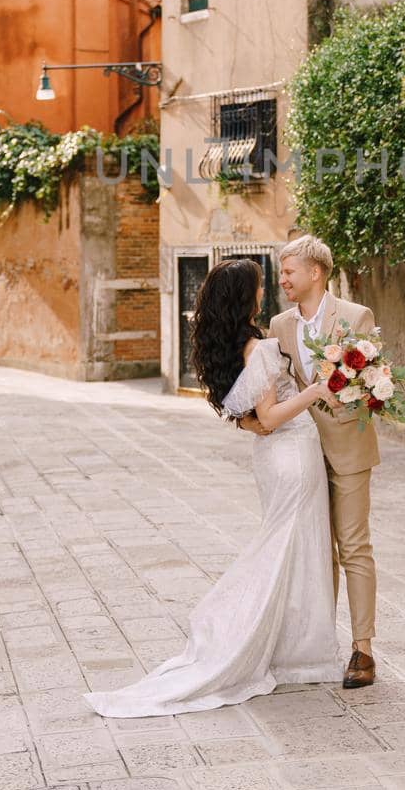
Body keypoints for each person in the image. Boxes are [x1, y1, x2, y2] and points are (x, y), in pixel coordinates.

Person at [82, 257, 343, 718]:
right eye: (261, 286)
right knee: (288, 547)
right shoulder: (258, 348)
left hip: (271, 459)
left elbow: (246, 418)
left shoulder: (231, 343)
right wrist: (317, 390)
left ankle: (297, 650)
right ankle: (265, 641)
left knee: (291, 545)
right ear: (247, 296)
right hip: (291, 453)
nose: (266, 291)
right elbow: (269, 416)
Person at [267, 234, 379, 691]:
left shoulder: (355, 317)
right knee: (315, 550)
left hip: (349, 449)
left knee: (353, 547)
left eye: (290, 271)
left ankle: (363, 649)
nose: (283, 280)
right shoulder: (278, 325)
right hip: (303, 452)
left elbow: (371, 382)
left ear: (315, 272)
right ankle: (316, 645)